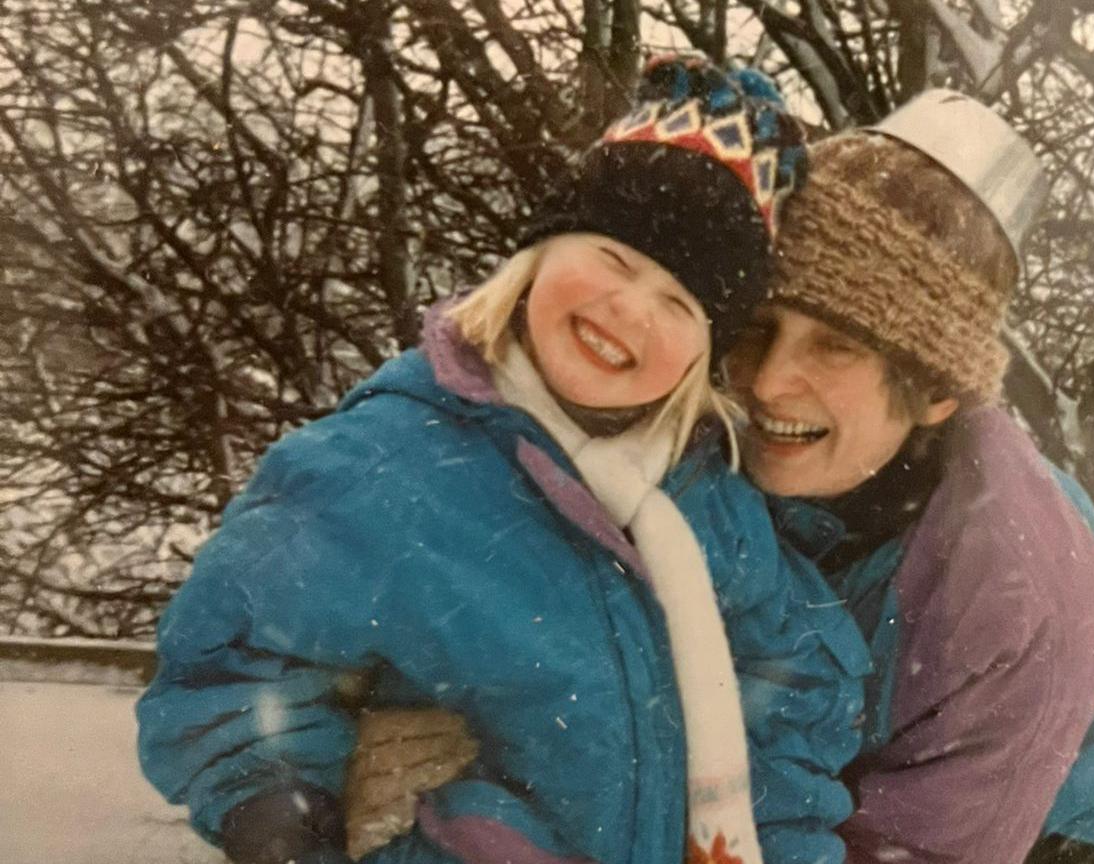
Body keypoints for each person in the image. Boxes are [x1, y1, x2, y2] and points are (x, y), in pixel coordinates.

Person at [137, 56, 870, 864]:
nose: (629, 310)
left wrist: (788, 842)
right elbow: (232, 673)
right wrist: (287, 800)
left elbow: (795, 683)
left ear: (704, 353)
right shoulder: (379, 470)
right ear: (538, 258)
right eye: (614, 260)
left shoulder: (708, 497)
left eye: (680, 304)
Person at [723, 91, 1094, 863]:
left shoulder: (1014, 578)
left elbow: (924, 851)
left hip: (1045, 830)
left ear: (935, 389)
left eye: (835, 346)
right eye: (759, 329)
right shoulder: (723, 459)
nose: (768, 383)